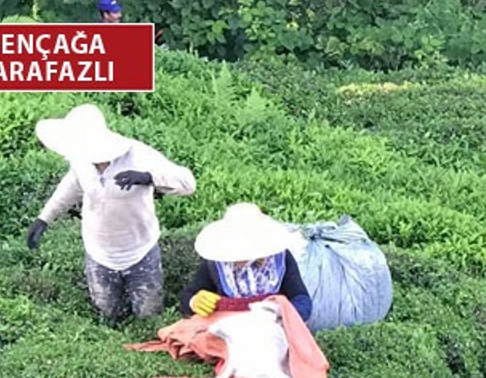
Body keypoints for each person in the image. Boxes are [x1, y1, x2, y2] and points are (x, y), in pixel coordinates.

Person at [27, 104, 195, 323]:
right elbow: (70, 187)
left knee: (148, 316)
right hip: (99, 254)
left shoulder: (137, 154)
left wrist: (148, 177)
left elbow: (188, 183)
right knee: (107, 316)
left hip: (140, 251)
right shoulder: (80, 160)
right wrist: (43, 219)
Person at [180, 203, 313, 323]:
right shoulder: (216, 263)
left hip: (271, 325)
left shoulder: (280, 259)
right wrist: (193, 302)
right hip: (228, 325)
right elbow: (188, 294)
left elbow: (301, 297)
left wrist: (285, 315)